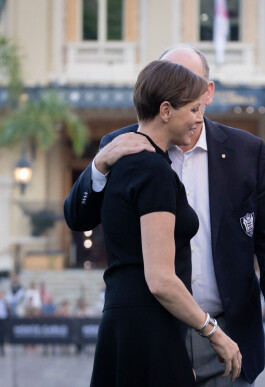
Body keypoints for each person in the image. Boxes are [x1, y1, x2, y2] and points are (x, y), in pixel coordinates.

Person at [64, 45, 265, 386]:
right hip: (156, 333)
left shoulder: (248, 151)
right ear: (161, 103)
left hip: (227, 333)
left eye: (190, 83)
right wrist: (98, 165)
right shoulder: (122, 145)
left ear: (207, 91)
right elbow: (77, 218)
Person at [82, 60, 241, 386]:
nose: (200, 118)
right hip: (149, 331)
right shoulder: (153, 172)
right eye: (194, 109)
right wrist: (214, 332)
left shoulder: (123, 163)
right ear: (166, 110)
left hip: (124, 327)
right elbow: (160, 279)